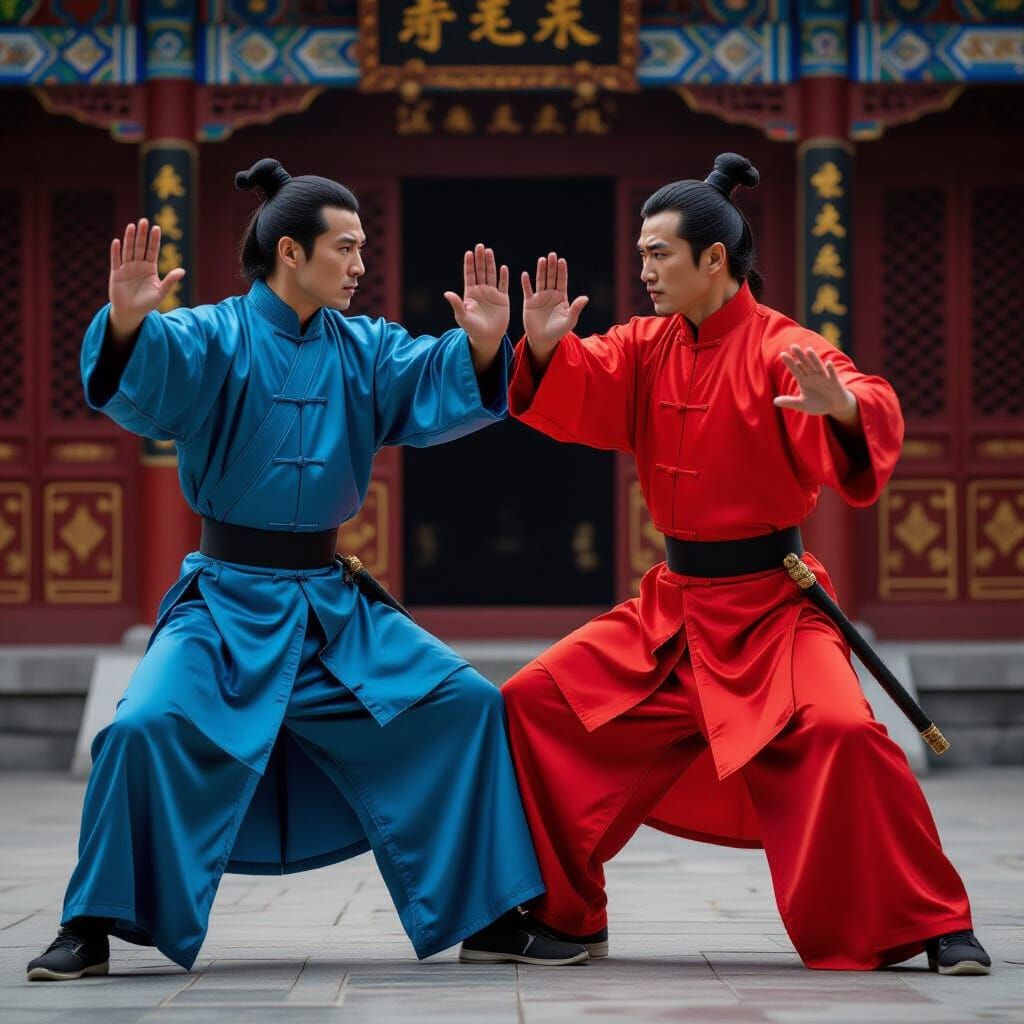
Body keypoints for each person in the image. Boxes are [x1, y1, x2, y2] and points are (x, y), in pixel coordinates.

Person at [27, 158, 588, 981]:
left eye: (361, 248)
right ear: (290, 251)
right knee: (142, 726)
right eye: (346, 248)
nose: (361, 264)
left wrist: (484, 345)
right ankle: (90, 924)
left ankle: (493, 918)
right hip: (225, 603)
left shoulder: (365, 348)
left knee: (466, 705)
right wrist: (126, 327)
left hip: (331, 608)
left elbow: (432, 377)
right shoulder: (213, 335)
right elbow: (147, 375)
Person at [499, 152, 990, 975]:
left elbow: (862, 394)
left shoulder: (781, 347)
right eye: (642, 254)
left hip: (775, 607)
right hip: (674, 609)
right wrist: (547, 351)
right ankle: (563, 913)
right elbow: (586, 380)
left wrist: (843, 409)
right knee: (535, 700)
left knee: (844, 731)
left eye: (659, 254)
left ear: (713, 259)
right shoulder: (646, 345)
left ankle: (931, 922)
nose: (644, 270)